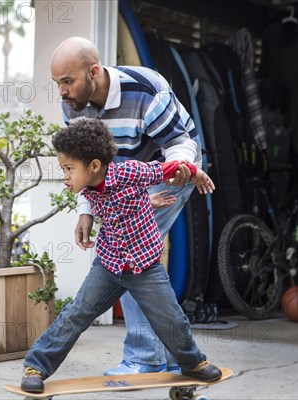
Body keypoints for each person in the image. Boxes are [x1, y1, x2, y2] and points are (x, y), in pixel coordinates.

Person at [20, 119, 220, 393]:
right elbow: (117, 202)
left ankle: (192, 363)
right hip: (109, 265)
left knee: (170, 319)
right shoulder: (88, 190)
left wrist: (194, 172)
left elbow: (164, 169)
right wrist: (144, 202)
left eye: (69, 169)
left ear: (93, 166)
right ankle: (36, 366)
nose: (65, 176)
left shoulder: (130, 171)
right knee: (76, 314)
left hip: (145, 266)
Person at [51, 36, 206, 375]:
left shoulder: (146, 89)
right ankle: (168, 357)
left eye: (67, 81)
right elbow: (84, 167)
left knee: (133, 255)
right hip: (121, 180)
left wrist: (181, 171)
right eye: (57, 83)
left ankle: (144, 358)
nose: (61, 91)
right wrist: (86, 211)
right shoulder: (72, 106)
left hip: (170, 169)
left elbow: (180, 143)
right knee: (132, 256)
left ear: (93, 71)